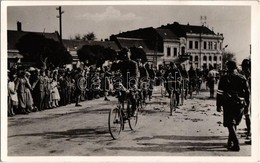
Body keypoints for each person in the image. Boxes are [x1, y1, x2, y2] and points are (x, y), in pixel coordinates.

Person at [216, 60, 249, 151]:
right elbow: (247, 93)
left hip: (229, 103)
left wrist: (218, 105)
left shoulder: (224, 78)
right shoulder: (242, 77)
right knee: (234, 123)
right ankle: (230, 142)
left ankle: (236, 143)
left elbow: (219, 93)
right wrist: (247, 104)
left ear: (228, 67)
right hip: (240, 104)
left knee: (230, 124)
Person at [111, 48, 139, 117]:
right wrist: (114, 61)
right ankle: (122, 114)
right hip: (123, 82)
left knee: (131, 95)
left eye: (127, 54)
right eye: (124, 54)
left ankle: (134, 109)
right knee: (120, 96)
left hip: (132, 82)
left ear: (130, 54)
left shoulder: (133, 63)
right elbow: (113, 68)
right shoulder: (121, 63)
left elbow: (135, 75)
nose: (125, 56)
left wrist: (134, 84)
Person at [241, 59, 251, 144]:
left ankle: (249, 132)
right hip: (247, 97)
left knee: (248, 114)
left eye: (244, 67)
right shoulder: (246, 75)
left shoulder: (250, 75)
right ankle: (249, 130)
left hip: (250, 97)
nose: (243, 69)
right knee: (247, 114)